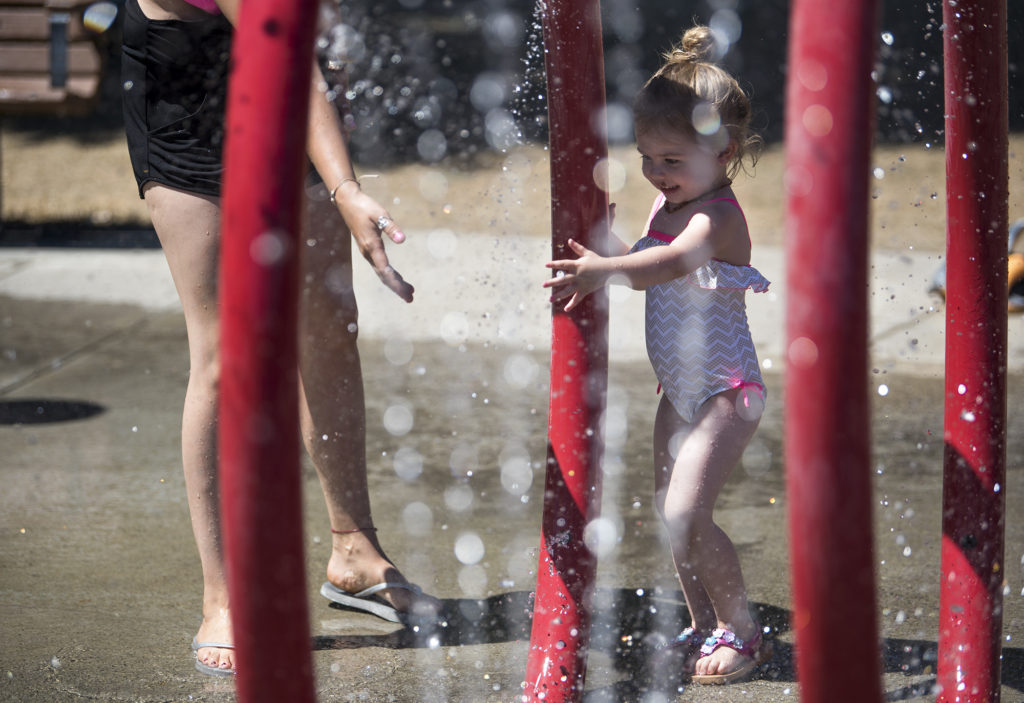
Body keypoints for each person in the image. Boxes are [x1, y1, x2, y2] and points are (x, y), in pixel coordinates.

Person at [121, 0, 437, 676]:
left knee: (326, 325)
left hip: (296, 92)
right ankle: (223, 594)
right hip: (188, 88)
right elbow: (280, 47)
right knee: (223, 354)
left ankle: (353, 548)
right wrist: (346, 185)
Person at [543, 26, 772, 686]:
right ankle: (703, 622)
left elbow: (665, 262)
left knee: (685, 511)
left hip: (727, 392)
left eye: (672, 160)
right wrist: (606, 234)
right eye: (647, 157)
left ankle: (744, 630)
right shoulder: (669, 201)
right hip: (680, 389)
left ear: (723, 150)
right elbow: (643, 252)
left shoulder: (716, 218)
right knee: (669, 514)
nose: (657, 173)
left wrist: (608, 267)